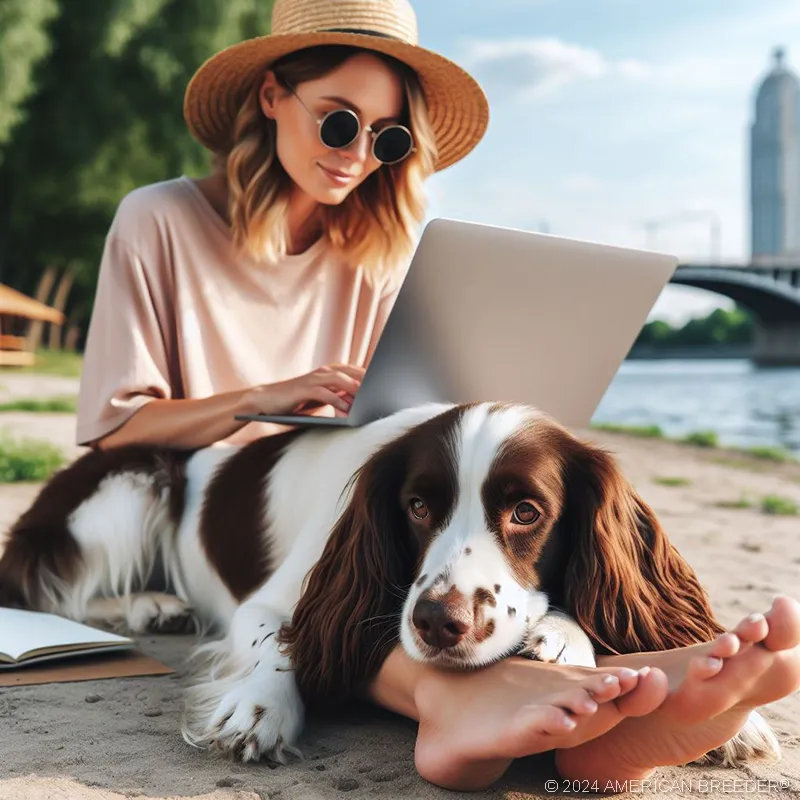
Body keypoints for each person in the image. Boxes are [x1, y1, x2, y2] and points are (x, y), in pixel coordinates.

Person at [75, 0, 800, 792]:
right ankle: (459, 704)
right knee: (338, 596)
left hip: (347, 459)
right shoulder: (157, 218)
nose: (357, 156)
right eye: (338, 122)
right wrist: (264, 397)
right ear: (272, 94)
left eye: (385, 139)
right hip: (208, 477)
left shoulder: (384, 250)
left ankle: (610, 677)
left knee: (423, 556)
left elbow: (403, 407)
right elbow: (118, 427)